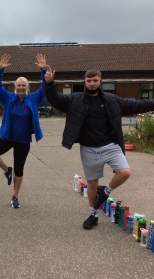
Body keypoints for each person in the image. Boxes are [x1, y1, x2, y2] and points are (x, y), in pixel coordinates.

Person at [44, 65, 154, 229]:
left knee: (125, 172)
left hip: (110, 145)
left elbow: (138, 105)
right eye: (89, 81)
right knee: (92, 183)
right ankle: (93, 214)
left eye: (95, 80)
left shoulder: (112, 100)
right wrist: (50, 83)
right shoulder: (75, 99)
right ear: (85, 82)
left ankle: (106, 191)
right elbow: (56, 100)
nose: (92, 84)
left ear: (100, 81)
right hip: (88, 148)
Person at [0, 54, 47, 208]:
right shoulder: (8, 97)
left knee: (20, 170)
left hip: (23, 141)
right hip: (7, 137)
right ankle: (7, 170)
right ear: (15, 87)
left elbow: (45, 86)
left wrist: (43, 70)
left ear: (26, 88)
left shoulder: (33, 98)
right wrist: (0, 69)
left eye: (23, 85)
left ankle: (15, 196)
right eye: (18, 85)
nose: (20, 87)